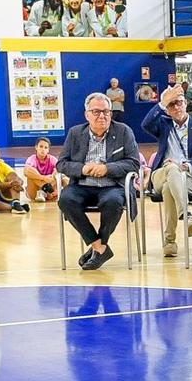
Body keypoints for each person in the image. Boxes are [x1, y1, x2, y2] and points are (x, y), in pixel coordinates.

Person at [59, 92, 141, 270]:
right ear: (86, 114)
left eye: (106, 111)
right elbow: (62, 163)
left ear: (111, 113)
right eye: (96, 112)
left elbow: (134, 163)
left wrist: (107, 169)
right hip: (82, 185)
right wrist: (81, 168)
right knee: (66, 200)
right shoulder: (75, 133)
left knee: (113, 202)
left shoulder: (124, 131)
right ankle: (99, 246)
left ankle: (99, 248)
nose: (102, 116)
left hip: (112, 186)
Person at [140, 82, 192, 258]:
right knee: (170, 170)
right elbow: (145, 124)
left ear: (186, 104)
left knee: (169, 187)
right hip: (160, 173)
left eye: (179, 102)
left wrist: (187, 165)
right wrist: (162, 102)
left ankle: (170, 242)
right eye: (172, 104)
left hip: (188, 176)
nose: (177, 107)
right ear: (167, 108)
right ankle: (186, 214)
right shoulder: (163, 125)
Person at [23, 137, 59, 203]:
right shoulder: (32, 159)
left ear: (48, 150)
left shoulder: (52, 159)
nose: (43, 149)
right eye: (41, 146)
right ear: (36, 147)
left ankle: (70, 195)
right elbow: (26, 171)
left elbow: (59, 169)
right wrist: (43, 178)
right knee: (29, 173)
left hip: (51, 190)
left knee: (60, 174)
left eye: (45, 148)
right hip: (35, 192)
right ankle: (43, 189)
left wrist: (53, 175)